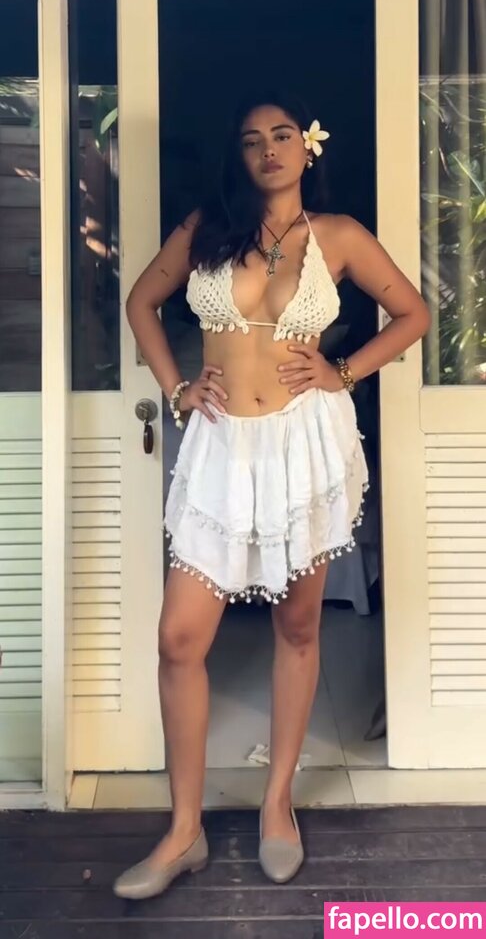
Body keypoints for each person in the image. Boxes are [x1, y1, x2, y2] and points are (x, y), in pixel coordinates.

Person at [113, 90, 430, 900]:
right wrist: (178, 387)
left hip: (304, 447)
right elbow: (141, 301)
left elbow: (413, 313)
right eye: (252, 139)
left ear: (306, 148)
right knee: (180, 638)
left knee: (297, 627)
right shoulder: (205, 229)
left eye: (282, 135)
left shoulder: (339, 235)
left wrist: (343, 371)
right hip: (222, 447)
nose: (268, 150)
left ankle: (277, 803)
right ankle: (183, 832)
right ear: (240, 155)